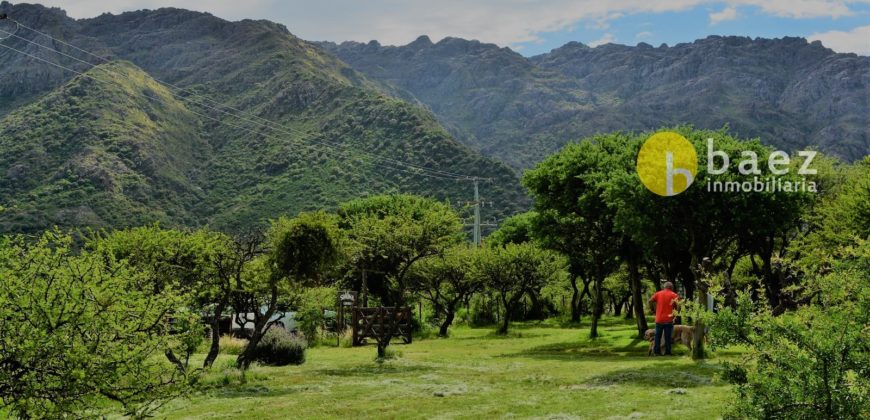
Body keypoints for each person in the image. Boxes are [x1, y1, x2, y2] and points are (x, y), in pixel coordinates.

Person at [648, 282, 680, 356]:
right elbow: (679, 305)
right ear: (671, 287)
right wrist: (676, 313)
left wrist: (652, 310)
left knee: (657, 336)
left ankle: (656, 352)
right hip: (669, 319)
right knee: (668, 337)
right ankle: (668, 352)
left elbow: (650, 301)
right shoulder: (674, 295)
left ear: (664, 287)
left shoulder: (658, 294)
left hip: (659, 319)